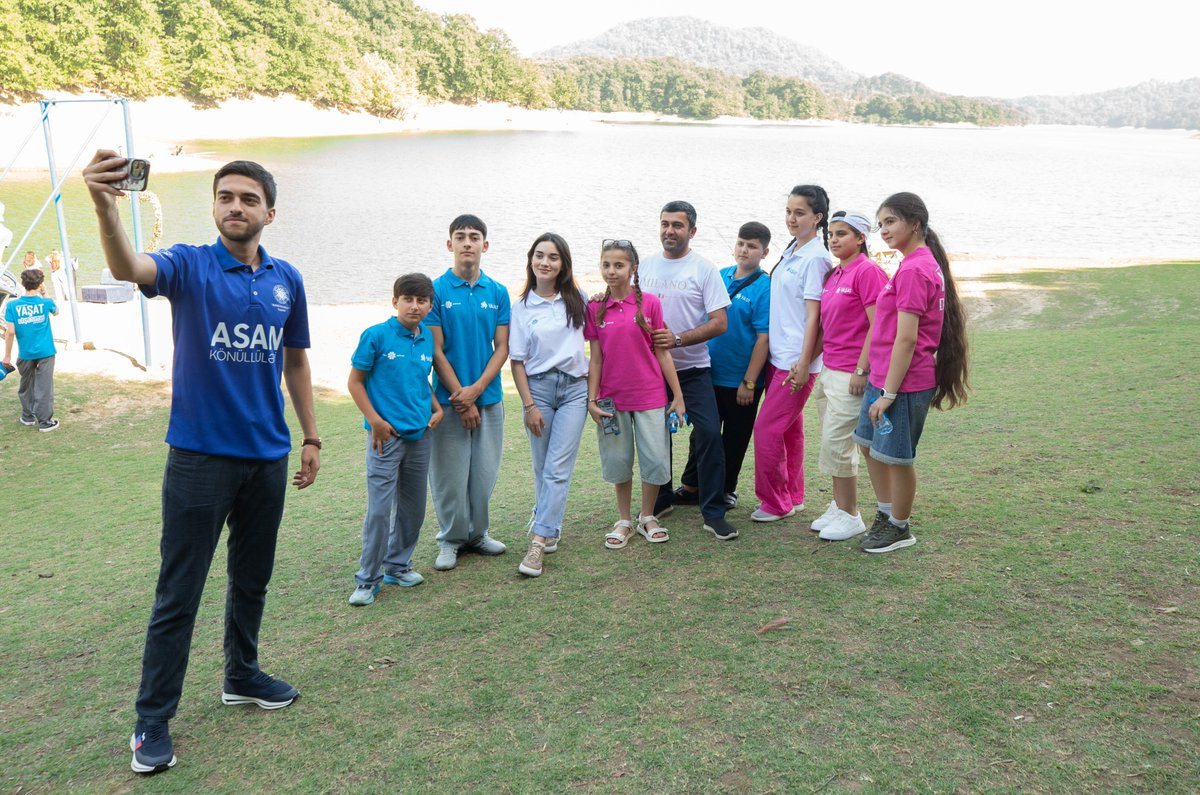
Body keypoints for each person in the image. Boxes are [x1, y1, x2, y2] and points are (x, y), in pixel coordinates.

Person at [82, 150, 321, 775]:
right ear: (215, 206)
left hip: (267, 458)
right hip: (199, 461)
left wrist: (311, 437)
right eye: (225, 197)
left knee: (252, 580)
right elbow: (129, 266)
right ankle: (152, 721)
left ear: (270, 212)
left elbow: (296, 360)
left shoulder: (287, 279)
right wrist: (105, 208)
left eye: (248, 199)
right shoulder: (189, 265)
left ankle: (242, 675)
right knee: (179, 593)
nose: (235, 207)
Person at [853, 192, 969, 553]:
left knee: (897, 458)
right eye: (880, 224)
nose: (884, 230)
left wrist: (888, 394)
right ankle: (886, 514)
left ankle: (899, 527)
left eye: (891, 221)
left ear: (915, 224)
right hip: (883, 377)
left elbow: (906, 339)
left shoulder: (916, 269)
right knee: (868, 444)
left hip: (902, 383)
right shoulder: (912, 263)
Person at [637, 201, 739, 540]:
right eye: (665, 223)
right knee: (656, 438)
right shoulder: (644, 267)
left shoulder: (704, 270)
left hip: (693, 370)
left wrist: (678, 339)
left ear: (692, 231)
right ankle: (661, 499)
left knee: (709, 435)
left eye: (677, 225)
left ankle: (713, 511)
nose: (670, 230)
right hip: (651, 372)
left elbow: (720, 323)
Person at [346, 273, 444, 605]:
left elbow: (419, 379)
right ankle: (367, 579)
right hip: (385, 438)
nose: (415, 306)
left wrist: (436, 408)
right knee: (379, 510)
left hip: (421, 435)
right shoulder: (376, 335)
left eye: (421, 301)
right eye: (408, 299)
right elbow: (355, 382)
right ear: (395, 302)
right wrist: (375, 422)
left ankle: (397, 566)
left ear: (429, 305)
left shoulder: (427, 337)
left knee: (414, 508)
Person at [586, 239, 685, 548]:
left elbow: (662, 352)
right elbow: (596, 359)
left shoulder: (650, 304)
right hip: (610, 400)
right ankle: (624, 520)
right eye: (606, 265)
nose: (611, 271)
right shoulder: (594, 307)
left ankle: (647, 516)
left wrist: (678, 396)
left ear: (633, 268)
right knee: (618, 460)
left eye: (619, 265)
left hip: (650, 396)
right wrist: (591, 400)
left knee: (655, 459)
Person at [426, 214, 510, 571]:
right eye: (460, 236)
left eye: (474, 237)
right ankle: (451, 539)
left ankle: (478, 534)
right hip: (449, 402)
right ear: (450, 244)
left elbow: (502, 347)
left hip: (488, 398)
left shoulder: (498, 292)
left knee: (483, 473)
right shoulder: (436, 291)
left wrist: (476, 390)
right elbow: (435, 350)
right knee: (450, 476)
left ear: (484, 245)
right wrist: (462, 398)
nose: (467, 242)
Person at [676, 221, 771, 511]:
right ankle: (691, 485)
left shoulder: (765, 286)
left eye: (752, 246)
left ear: (764, 252)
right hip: (708, 371)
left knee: (734, 437)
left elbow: (763, 338)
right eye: (741, 243)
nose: (744, 250)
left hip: (741, 379)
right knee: (703, 433)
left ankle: (727, 489)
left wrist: (749, 382)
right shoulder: (720, 275)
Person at [509, 233, 589, 577]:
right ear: (531, 260)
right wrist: (529, 406)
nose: (545, 262)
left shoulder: (578, 299)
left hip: (575, 391)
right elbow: (517, 362)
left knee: (557, 468)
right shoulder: (521, 307)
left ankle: (539, 542)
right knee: (542, 466)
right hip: (538, 391)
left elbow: (601, 339)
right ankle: (549, 524)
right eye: (539, 255)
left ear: (563, 264)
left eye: (553, 257)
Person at [751, 185, 833, 522]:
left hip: (796, 362)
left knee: (767, 430)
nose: (791, 218)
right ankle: (793, 496)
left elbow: (816, 318)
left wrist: (804, 362)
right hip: (778, 356)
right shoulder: (792, 250)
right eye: (788, 211)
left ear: (818, 217)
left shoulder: (816, 259)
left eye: (799, 213)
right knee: (789, 431)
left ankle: (775, 502)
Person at [809, 212, 889, 541]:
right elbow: (827, 327)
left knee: (839, 444)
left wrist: (861, 368)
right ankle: (839, 505)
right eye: (831, 234)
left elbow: (878, 324)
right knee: (832, 442)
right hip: (830, 369)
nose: (834, 239)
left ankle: (851, 514)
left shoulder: (867, 272)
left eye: (842, 234)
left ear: (860, 238)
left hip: (850, 373)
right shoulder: (836, 273)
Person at [3, 268, 60, 431]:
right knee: (44, 386)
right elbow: (56, 312)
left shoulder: (12, 305)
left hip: (25, 353)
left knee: (26, 384)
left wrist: (7, 356)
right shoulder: (46, 302)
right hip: (46, 352)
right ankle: (45, 422)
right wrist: (45, 292)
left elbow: (10, 332)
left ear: (23, 284)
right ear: (40, 283)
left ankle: (28, 416)